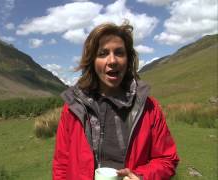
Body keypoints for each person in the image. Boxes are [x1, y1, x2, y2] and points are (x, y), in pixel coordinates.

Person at [52, 22, 179, 180]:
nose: (112, 60)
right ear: (92, 61)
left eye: (119, 53)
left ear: (128, 59)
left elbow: (167, 160)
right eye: (103, 53)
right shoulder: (74, 107)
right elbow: (61, 165)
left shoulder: (148, 107)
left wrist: (141, 176)